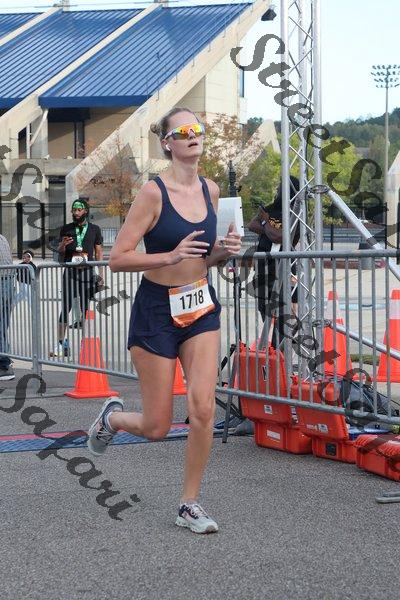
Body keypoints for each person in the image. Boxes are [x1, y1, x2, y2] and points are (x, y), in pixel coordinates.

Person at [87, 107, 241, 534]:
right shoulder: (153, 193)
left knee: (203, 407)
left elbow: (205, 258)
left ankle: (189, 504)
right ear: (167, 143)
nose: (194, 136)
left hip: (200, 307)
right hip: (156, 309)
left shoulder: (211, 191)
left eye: (198, 129)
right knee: (157, 426)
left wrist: (223, 252)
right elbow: (118, 258)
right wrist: (169, 256)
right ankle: (112, 419)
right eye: (183, 131)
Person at [248, 176, 300, 348]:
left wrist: (265, 222)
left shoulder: (295, 213)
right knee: (264, 308)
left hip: (284, 269)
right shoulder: (269, 209)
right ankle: (274, 349)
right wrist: (269, 228)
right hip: (263, 268)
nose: (277, 191)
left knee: (283, 313)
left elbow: (280, 237)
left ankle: (280, 352)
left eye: (280, 188)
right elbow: (252, 225)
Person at [50, 198, 104, 357]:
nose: (76, 212)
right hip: (70, 273)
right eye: (74, 210)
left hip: (87, 273)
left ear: (85, 211)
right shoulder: (66, 229)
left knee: (86, 309)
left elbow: (99, 252)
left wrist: (101, 274)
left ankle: (85, 344)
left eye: (79, 210)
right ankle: (61, 344)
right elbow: (60, 253)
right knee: (65, 307)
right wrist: (63, 245)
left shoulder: (94, 229)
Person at [0, 234, 15, 380]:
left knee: (2, 325)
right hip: (8, 281)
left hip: (4, 281)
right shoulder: (3, 238)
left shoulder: (2, 239)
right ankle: (5, 361)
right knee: (2, 325)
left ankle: (3, 363)